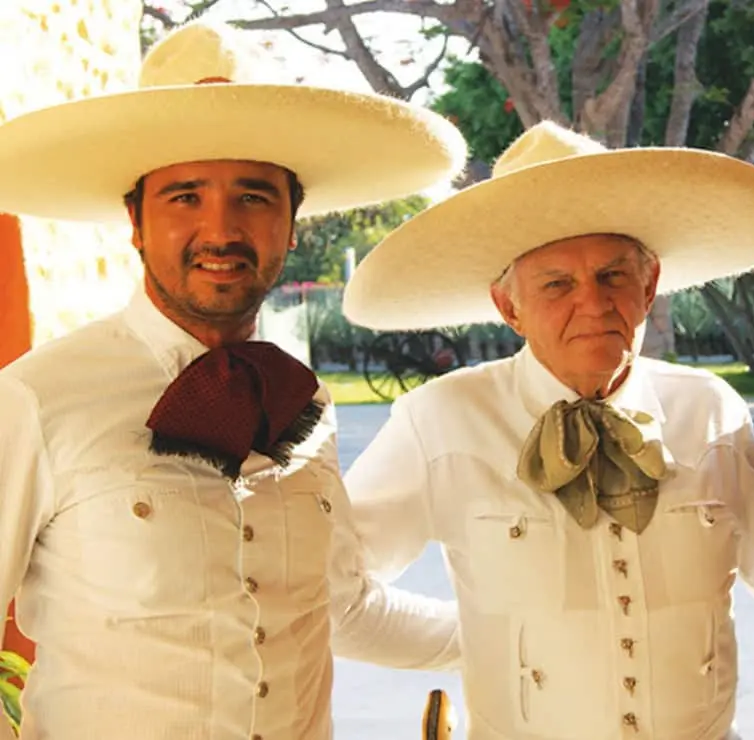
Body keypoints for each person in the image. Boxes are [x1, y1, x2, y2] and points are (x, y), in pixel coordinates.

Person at [0, 21, 467, 740]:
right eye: (184, 196)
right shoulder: (34, 398)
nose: (220, 229)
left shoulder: (303, 400)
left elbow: (338, 607)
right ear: (135, 221)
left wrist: (520, 634)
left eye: (252, 196)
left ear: (291, 222)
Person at [338, 120, 754, 739]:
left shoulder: (710, 410)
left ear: (649, 284)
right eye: (557, 284)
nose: (593, 302)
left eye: (612, 275)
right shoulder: (441, 421)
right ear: (509, 308)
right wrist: (479, 637)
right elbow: (331, 600)